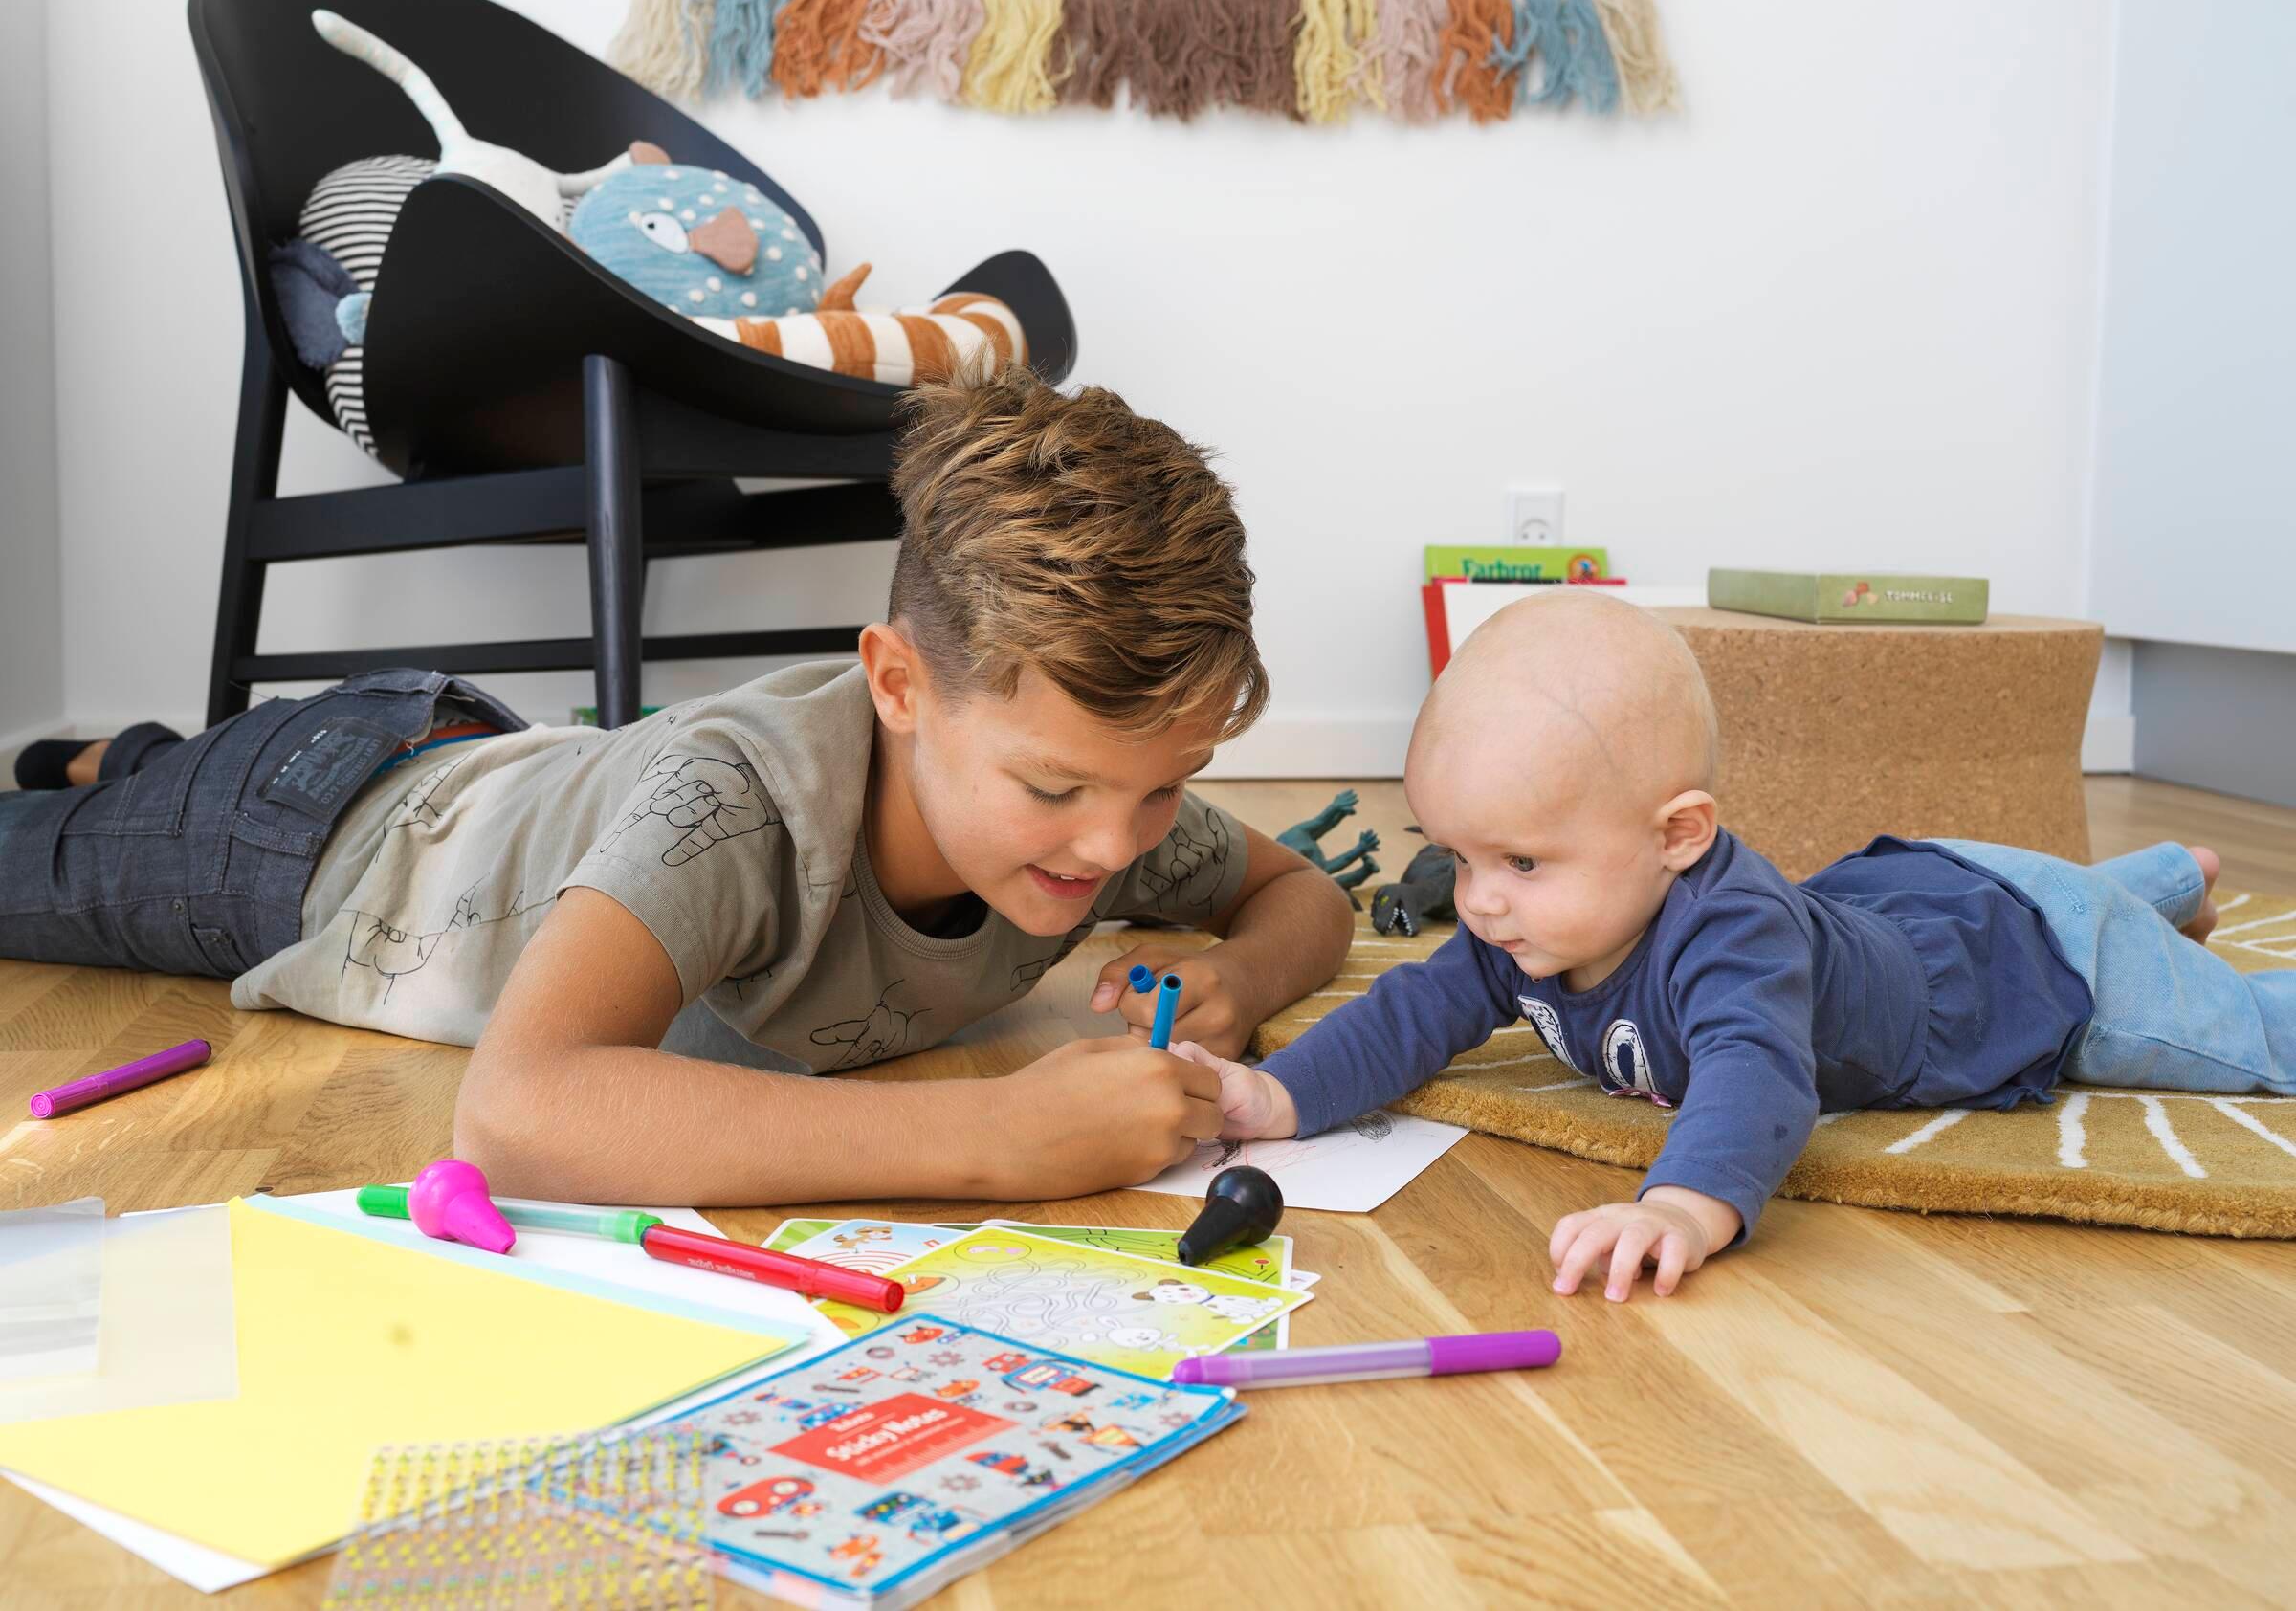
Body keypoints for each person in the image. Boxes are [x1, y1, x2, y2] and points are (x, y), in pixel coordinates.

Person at [0, 369, 1355, 1204]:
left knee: (145, 775)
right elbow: (517, 1114)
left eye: (1165, 789)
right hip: (308, 833)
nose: (1114, 845)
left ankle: (125, 751)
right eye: (1056, 788)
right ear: (897, 685)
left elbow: (1304, 893)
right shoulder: (744, 808)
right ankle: (126, 769)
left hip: (493, 762)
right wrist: (995, 1131)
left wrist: (1238, 979)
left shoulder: (1099, 798)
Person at [1179, 589, 2287, 1302]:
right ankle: (2166, 879)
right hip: (1913, 894)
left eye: (1518, 861)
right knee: (2053, 894)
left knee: (2211, 1027)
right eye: (1455, 857)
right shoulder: (1514, 926)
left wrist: (1679, 1202)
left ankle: (2139, 908)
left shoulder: (1735, 935)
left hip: (2004, 965)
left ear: (1678, 837)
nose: (1478, 902)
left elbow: (1758, 1071)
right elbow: (1410, 1013)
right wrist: (1277, 1095)